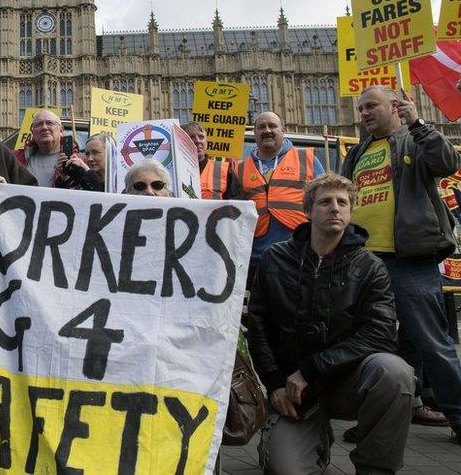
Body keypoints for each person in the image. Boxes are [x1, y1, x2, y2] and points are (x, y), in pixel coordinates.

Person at [248, 173, 413, 474]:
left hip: (348, 383)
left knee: (394, 372)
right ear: (308, 211)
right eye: (325, 202)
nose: (335, 208)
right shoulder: (275, 259)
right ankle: (310, 438)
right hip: (295, 394)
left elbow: (381, 334)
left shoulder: (370, 267)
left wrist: (311, 369)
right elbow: (257, 324)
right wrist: (274, 384)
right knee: (285, 469)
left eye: (342, 202)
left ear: (350, 211)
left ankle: (375, 468)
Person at [341, 85, 461, 437]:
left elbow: (447, 162)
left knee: (432, 343)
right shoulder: (359, 151)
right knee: (373, 343)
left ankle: (459, 416)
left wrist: (420, 124)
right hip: (366, 260)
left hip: (408, 259)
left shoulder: (414, 140)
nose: (362, 113)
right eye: (360, 108)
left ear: (395, 106)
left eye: (370, 106)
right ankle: (379, 422)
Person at [239, 111, 324, 280]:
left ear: (283, 130)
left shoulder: (306, 158)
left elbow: (324, 201)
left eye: (272, 126)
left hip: (299, 255)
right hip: (254, 259)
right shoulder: (238, 168)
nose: (267, 130)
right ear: (254, 132)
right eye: (261, 127)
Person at [13, 109, 77, 187]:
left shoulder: (77, 159)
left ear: (61, 130)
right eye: (38, 124)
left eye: (50, 123)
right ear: (33, 132)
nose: (44, 127)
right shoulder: (15, 158)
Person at [181, 121, 243, 200]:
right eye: (192, 137)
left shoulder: (225, 170)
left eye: (201, 137)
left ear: (206, 142)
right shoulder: (173, 171)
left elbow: (236, 205)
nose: (198, 141)